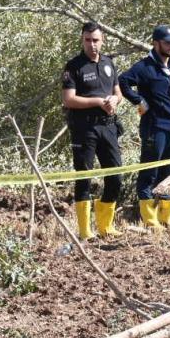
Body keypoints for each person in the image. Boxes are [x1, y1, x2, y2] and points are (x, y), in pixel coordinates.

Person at [119, 25, 170, 230]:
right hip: (155, 128)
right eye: (167, 42)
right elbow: (123, 81)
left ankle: (165, 217)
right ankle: (150, 219)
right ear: (156, 43)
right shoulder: (144, 67)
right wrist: (138, 100)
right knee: (149, 172)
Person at [61, 22, 125, 240]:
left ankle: (105, 225)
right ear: (82, 40)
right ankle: (85, 231)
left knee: (115, 175)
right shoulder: (74, 66)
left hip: (107, 126)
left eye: (95, 40)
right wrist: (98, 101)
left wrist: (113, 101)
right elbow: (68, 99)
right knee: (84, 178)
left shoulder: (109, 63)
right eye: (87, 40)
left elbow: (118, 93)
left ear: (102, 40)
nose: (92, 44)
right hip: (83, 128)